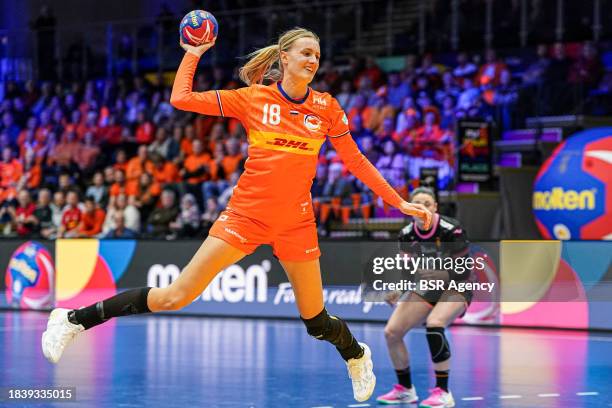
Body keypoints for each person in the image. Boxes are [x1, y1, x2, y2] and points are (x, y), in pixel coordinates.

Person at [41, 27, 431, 402]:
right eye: (306, 53)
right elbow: (181, 98)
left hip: (296, 222)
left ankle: (356, 354)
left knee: (315, 321)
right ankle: (73, 320)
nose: (313, 60)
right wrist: (192, 54)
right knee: (176, 296)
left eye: (317, 55)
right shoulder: (254, 98)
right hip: (245, 215)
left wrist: (399, 202)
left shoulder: (326, 108)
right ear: (285, 57)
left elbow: (357, 161)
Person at [376, 187, 470, 407]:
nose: (422, 208)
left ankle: (443, 392)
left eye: (427, 204)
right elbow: (408, 271)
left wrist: (442, 273)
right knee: (392, 332)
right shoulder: (407, 234)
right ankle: (405, 390)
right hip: (429, 287)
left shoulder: (451, 230)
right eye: (417, 204)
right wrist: (398, 289)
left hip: (457, 285)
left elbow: (466, 269)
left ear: (435, 207)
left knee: (434, 323)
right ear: (410, 208)